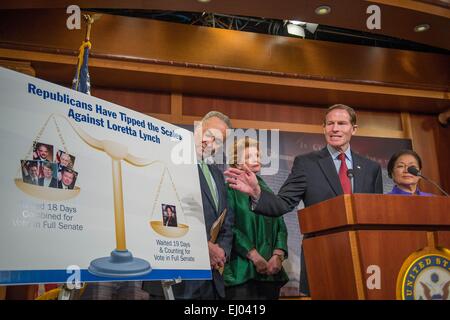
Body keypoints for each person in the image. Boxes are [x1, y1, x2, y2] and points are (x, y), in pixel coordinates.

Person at [224, 104, 383, 295]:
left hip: (365, 258)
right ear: (323, 128)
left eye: (342, 123)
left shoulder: (371, 168)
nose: (335, 129)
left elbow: (377, 217)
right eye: (330, 123)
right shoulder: (307, 163)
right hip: (322, 256)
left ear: (353, 129)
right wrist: (257, 192)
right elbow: (282, 204)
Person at [144, 111, 234, 300]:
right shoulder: (169, 161)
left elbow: (227, 220)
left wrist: (221, 251)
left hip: (210, 282)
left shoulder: (218, 175)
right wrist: (202, 247)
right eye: (209, 135)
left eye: (218, 141)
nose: (210, 143)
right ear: (198, 129)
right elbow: (164, 211)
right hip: (175, 280)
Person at [224, 138, 288, 300]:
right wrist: (253, 255)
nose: (257, 159)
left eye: (258, 155)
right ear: (237, 163)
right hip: (242, 272)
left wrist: (278, 255)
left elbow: (280, 224)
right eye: (249, 156)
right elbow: (228, 227)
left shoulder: (265, 190)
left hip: (271, 273)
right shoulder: (229, 190)